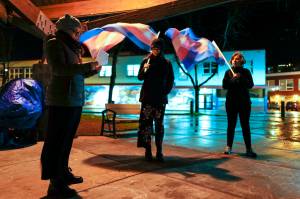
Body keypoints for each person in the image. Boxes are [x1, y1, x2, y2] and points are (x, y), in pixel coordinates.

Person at [40, 14, 101, 197]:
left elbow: (75, 74)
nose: (78, 35)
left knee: (66, 141)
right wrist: (87, 67)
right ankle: (55, 182)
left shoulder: (72, 48)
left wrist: (93, 70)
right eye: (76, 31)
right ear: (68, 30)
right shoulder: (54, 44)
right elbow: (59, 70)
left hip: (73, 100)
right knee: (57, 141)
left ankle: (63, 173)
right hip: (61, 101)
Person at [137, 38, 174, 162]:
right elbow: (140, 77)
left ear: (161, 49)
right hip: (147, 98)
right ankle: (148, 150)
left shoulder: (166, 63)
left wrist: (165, 92)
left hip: (159, 99)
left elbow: (170, 80)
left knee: (159, 126)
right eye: (153, 48)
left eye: (157, 49)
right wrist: (144, 68)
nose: (155, 51)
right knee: (146, 125)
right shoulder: (146, 61)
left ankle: (159, 151)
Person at [222, 51, 257, 158]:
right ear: (231, 61)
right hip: (231, 103)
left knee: (245, 125)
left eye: (238, 59)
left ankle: (248, 149)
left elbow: (250, 85)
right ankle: (228, 147)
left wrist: (240, 77)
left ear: (242, 61)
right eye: (234, 59)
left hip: (244, 103)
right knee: (231, 125)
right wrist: (233, 79)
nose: (235, 60)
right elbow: (224, 86)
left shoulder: (246, 71)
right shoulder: (228, 72)